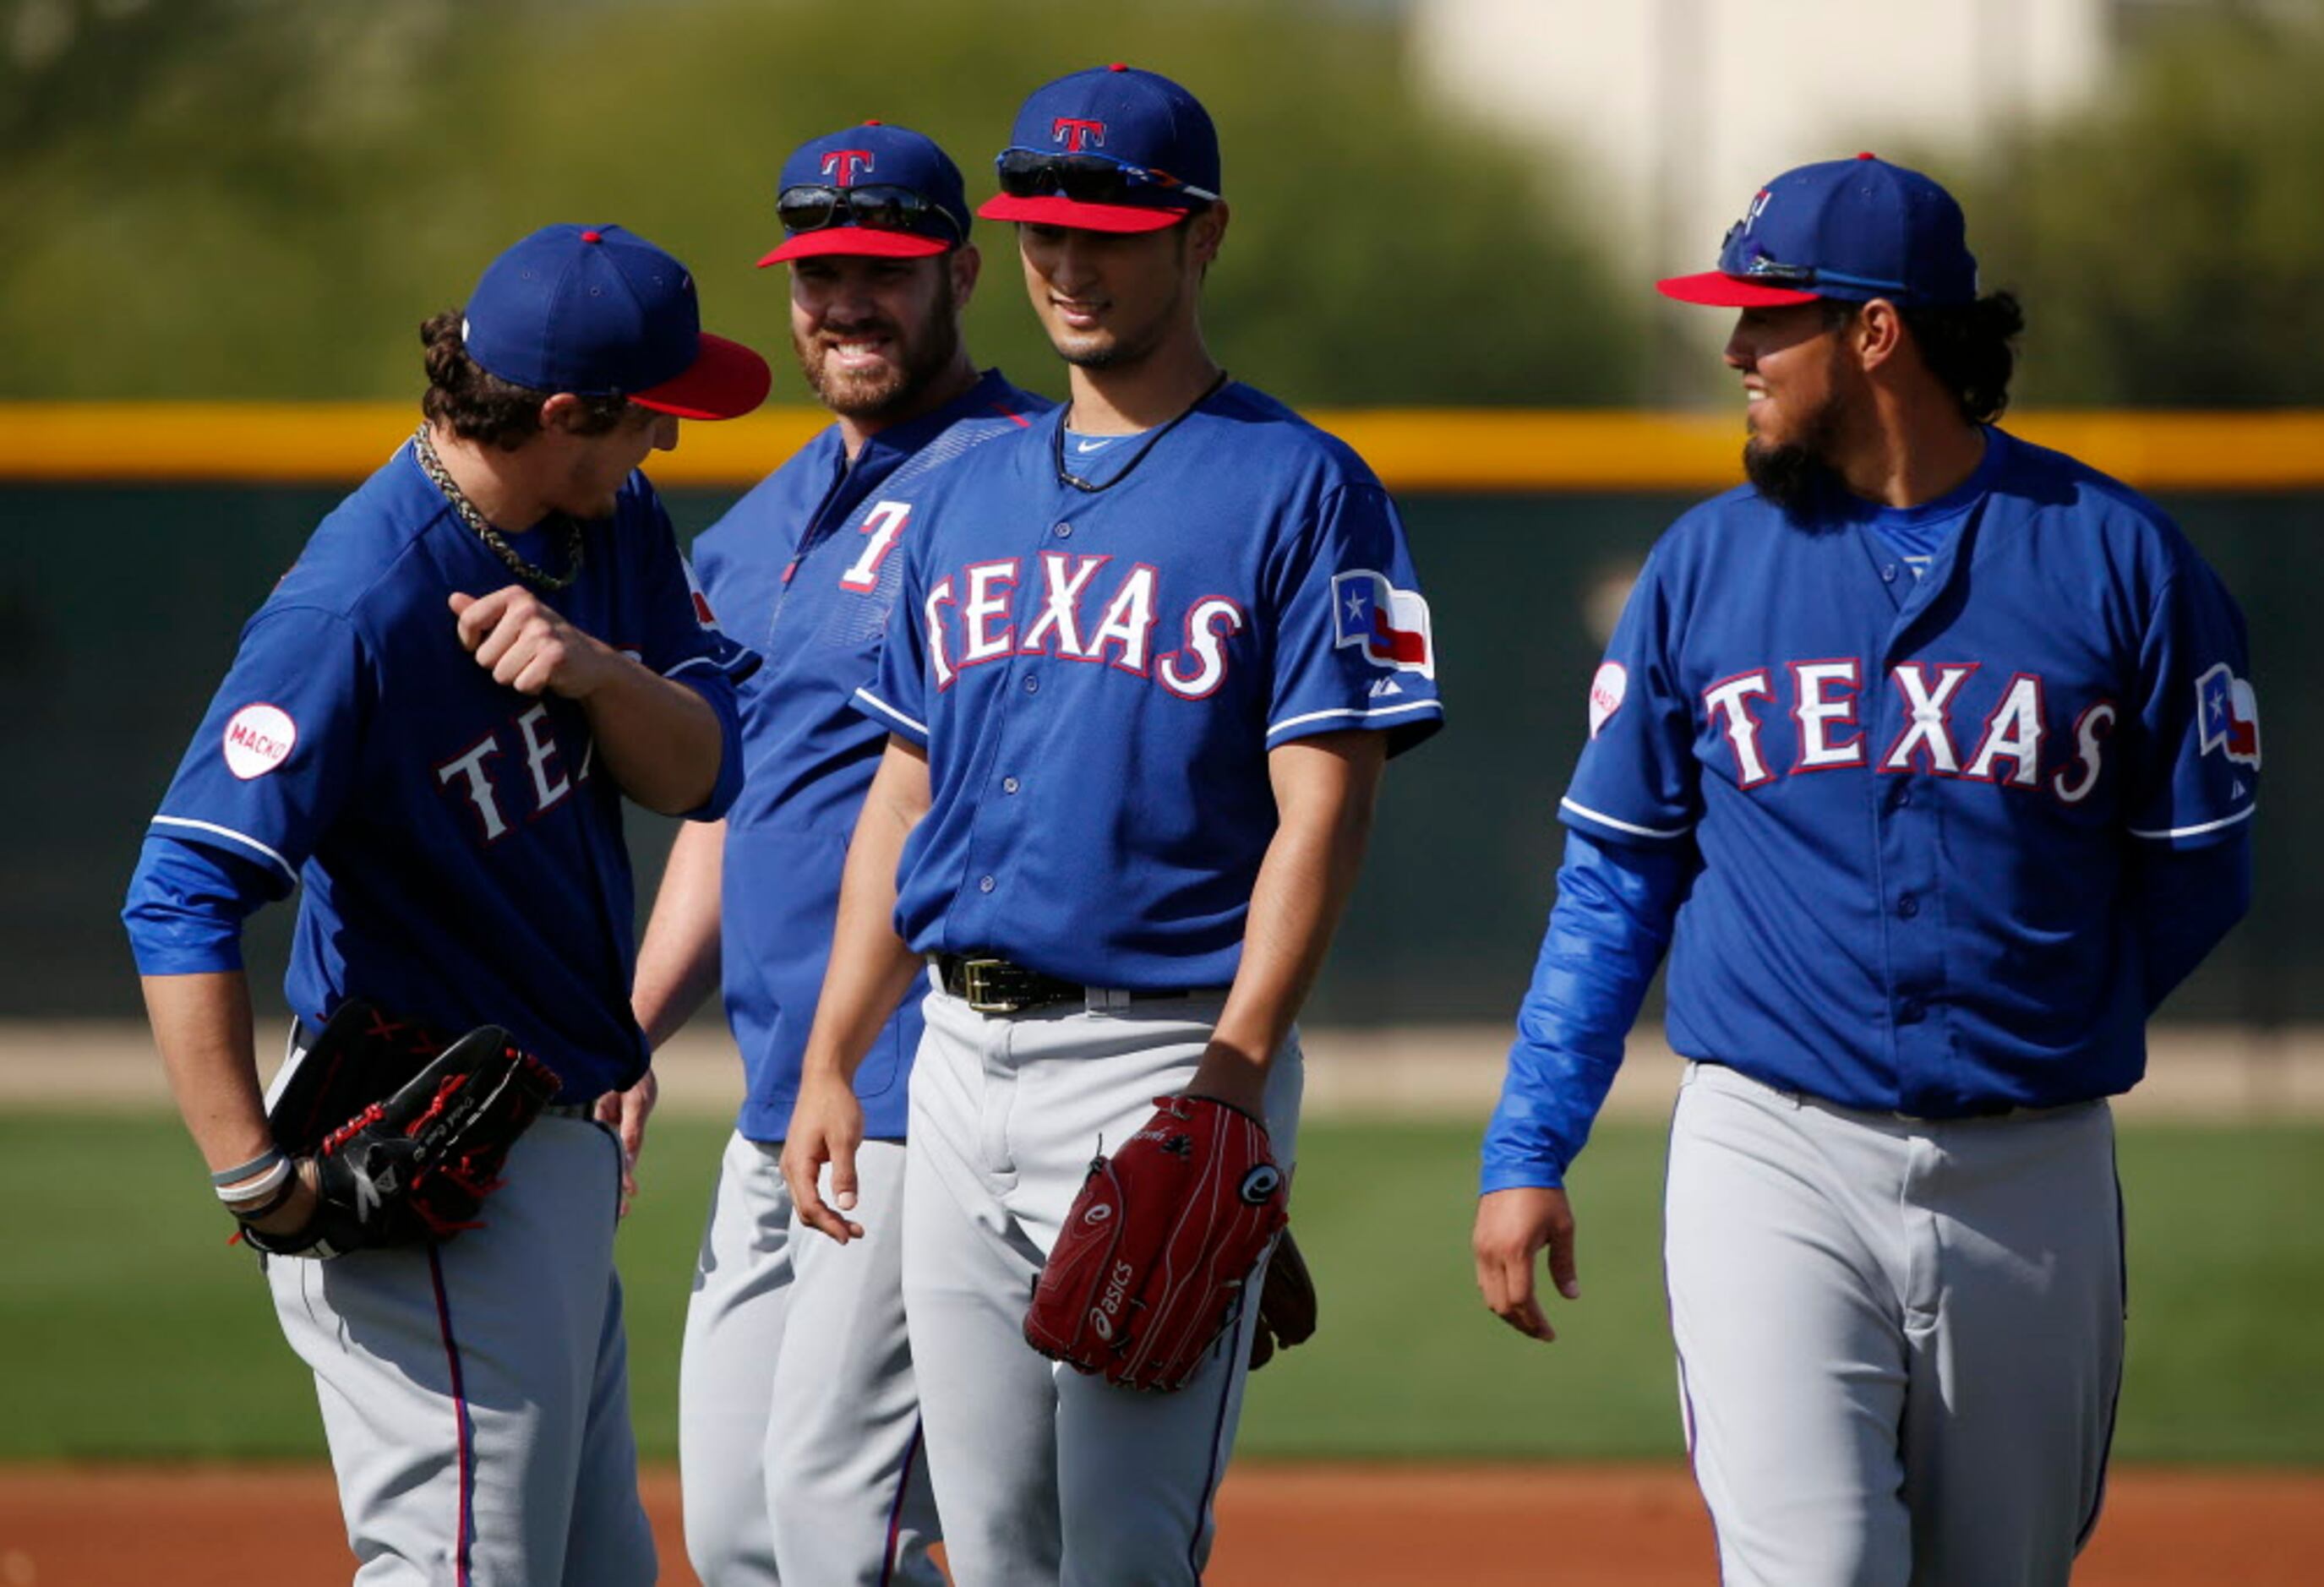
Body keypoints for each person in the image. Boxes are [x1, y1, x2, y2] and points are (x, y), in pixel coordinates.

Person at [1472, 155, 2257, 1584]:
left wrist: (2050, 1003)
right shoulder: (1705, 567)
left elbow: (2198, 867)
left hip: (2034, 1164)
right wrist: (1530, 1143)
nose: (1734, 351)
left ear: (1877, 332)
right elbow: (1613, 886)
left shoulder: (2122, 560)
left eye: (1770, 319)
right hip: (1771, 1145)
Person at [782, 63, 1443, 1584]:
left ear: (1200, 237)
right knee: (995, 1542)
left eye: (1109, 231)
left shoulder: (1302, 486)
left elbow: (1324, 805)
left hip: (1164, 1055)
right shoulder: (964, 491)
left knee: (1126, 1550)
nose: (1068, 265)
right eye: (1039, 231)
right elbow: (906, 791)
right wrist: (834, 1050)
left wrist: (1236, 1071)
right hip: (951, 1064)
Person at [122, 222, 769, 1586]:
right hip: (430, 1160)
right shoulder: (362, 602)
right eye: (649, 412)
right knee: (458, 1569)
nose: (666, 438)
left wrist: (600, 672)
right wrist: (258, 1180)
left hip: (560, 1134)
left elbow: (707, 768)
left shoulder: (606, 526)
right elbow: (177, 891)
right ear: (559, 416)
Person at [628, 120, 1049, 1586]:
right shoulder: (757, 523)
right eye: (819, 271)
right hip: (769, 1093)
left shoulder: (1026, 480)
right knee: (744, 1534)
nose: (847, 300)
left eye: (883, 266)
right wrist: (625, 1032)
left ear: (959, 272)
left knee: (838, 1522)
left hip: (918, 1082)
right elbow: (721, 811)